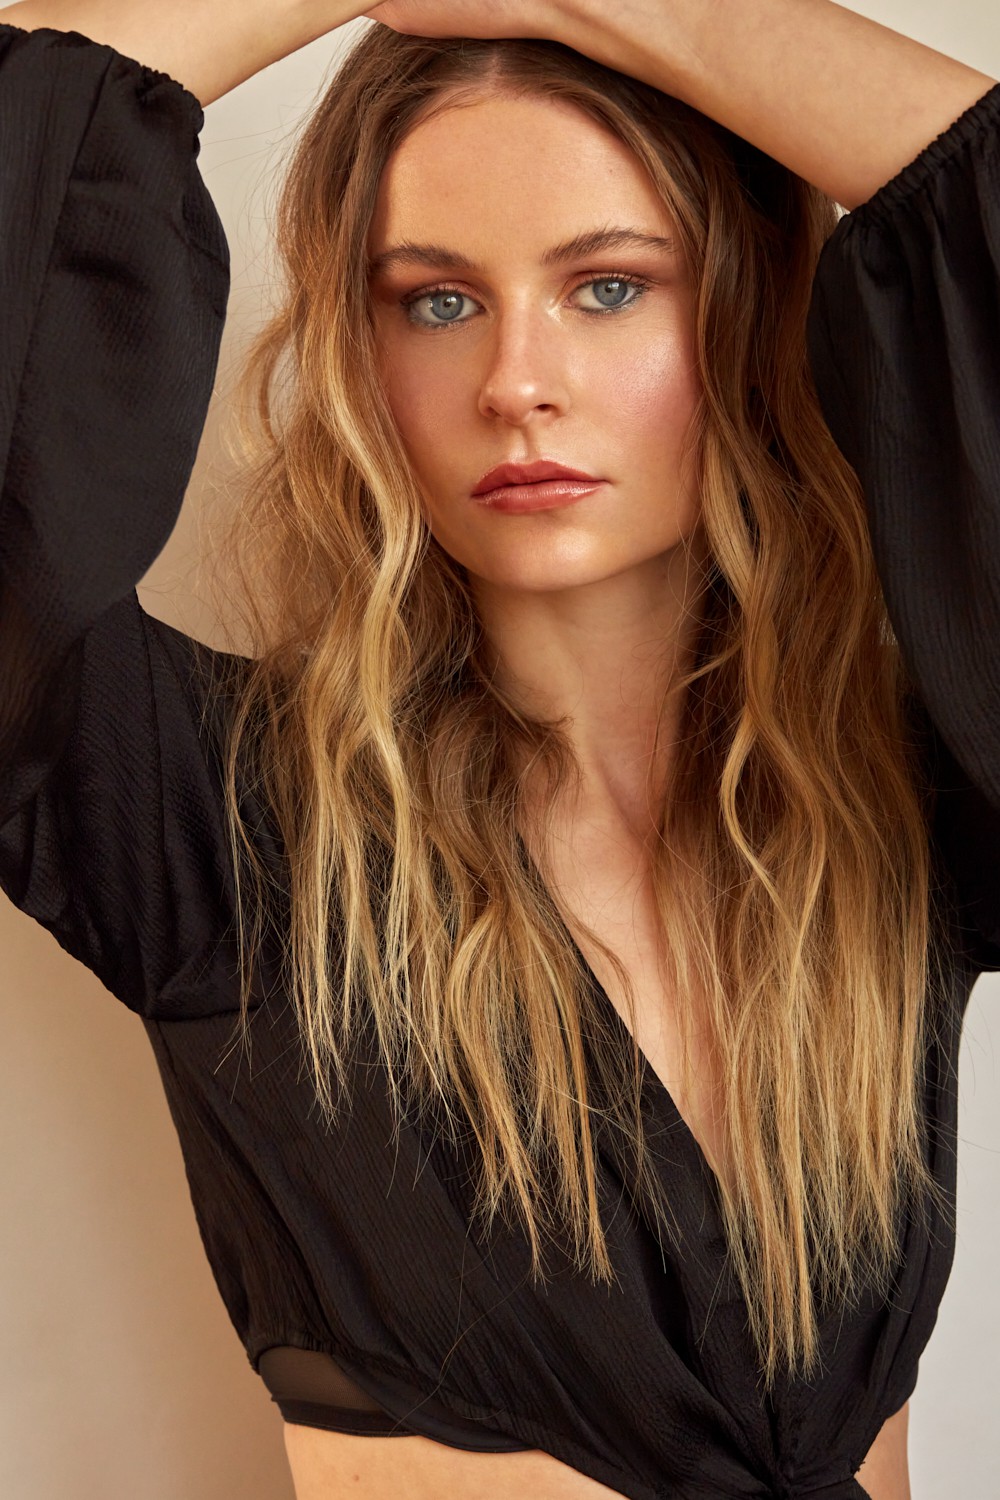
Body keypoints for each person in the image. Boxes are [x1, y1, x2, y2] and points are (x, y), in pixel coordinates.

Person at [0, 1, 997, 1497]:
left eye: (609, 286)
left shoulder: (902, 809)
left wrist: (650, 10)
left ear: (745, 317)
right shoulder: (219, 825)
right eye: (437, 301)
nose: (516, 381)